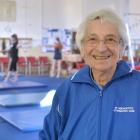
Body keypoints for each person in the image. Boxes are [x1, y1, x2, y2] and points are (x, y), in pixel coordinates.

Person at [39, 9, 140, 140]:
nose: (101, 48)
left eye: (110, 39)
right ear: (82, 48)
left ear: (122, 47)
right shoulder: (66, 91)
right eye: (93, 39)